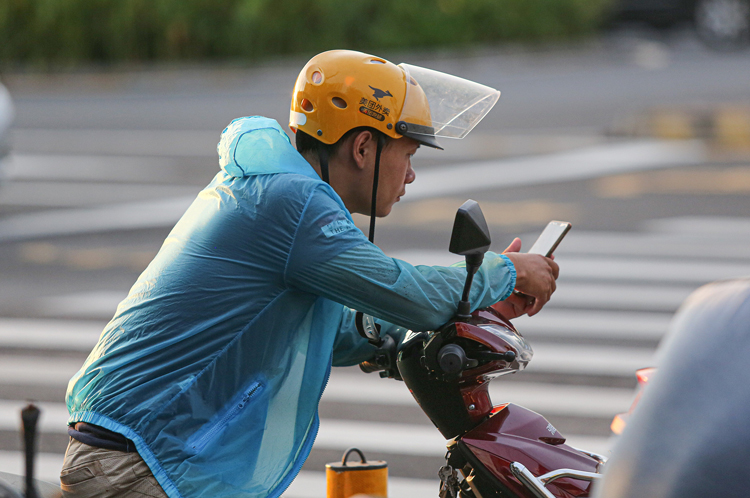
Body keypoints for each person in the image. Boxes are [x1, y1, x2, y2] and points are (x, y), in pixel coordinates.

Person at [60, 50, 558, 498]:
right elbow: (411, 295)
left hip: (140, 450)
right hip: (137, 462)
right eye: (407, 154)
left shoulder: (279, 194)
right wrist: (506, 272)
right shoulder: (292, 203)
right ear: (363, 148)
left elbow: (337, 331)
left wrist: (474, 304)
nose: (410, 174)